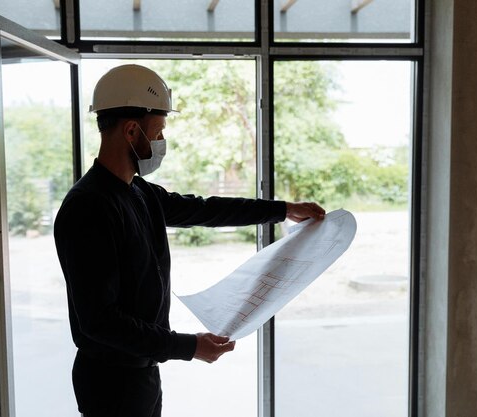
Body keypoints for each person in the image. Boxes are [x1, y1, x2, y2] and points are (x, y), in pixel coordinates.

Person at [53, 64, 325, 417]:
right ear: (132, 130)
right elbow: (101, 321)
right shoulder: (88, 207)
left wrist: (283, 209)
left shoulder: (138, 192)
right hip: (110, 384)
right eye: (158, 131)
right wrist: (188, 346)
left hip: (143, 374)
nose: (161, 142)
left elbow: (205, 210)